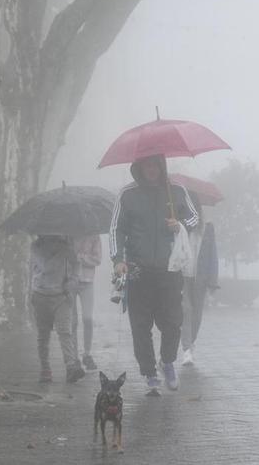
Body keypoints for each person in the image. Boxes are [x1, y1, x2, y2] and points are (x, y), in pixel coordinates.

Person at [109, 154, 198, 393]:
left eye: (155, 164)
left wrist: (179, 224)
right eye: (146, 165)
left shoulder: (176, 190)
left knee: (172, 323)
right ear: (138, 166)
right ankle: (150, 374)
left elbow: (194, 216)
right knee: (141, 326)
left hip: (170, 269)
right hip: (138, 270)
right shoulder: (127, 194)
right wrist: (118, 260)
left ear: (161, 165)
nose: (151, 169)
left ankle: (167, 361)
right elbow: (116, 228)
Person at [29, 235, 86, 384]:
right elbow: (45, 267)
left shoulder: (67, 247)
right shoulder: (35, 247)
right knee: (43, 335)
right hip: (41, 295)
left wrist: (73, 280)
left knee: (65, 332)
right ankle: (45, 369)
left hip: (62, 296)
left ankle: (71, 367)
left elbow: (77, 264)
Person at [180, 195, 219, 366]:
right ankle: (186, 349)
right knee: (186, 310)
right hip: (182, 276)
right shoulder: (181, 227)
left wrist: (212, 281)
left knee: (196, 315)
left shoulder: (207, 228)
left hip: (200, 279)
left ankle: (191, 342)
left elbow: (213, 256)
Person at [74, 234, 102, 370]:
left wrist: (82, 258)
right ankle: (73, 356)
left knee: (87, 318)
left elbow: (98, 259)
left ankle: (87, 353)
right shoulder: (69, 235)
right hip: (70, 281)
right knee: (72, 321)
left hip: (87, 281)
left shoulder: (94, 236)